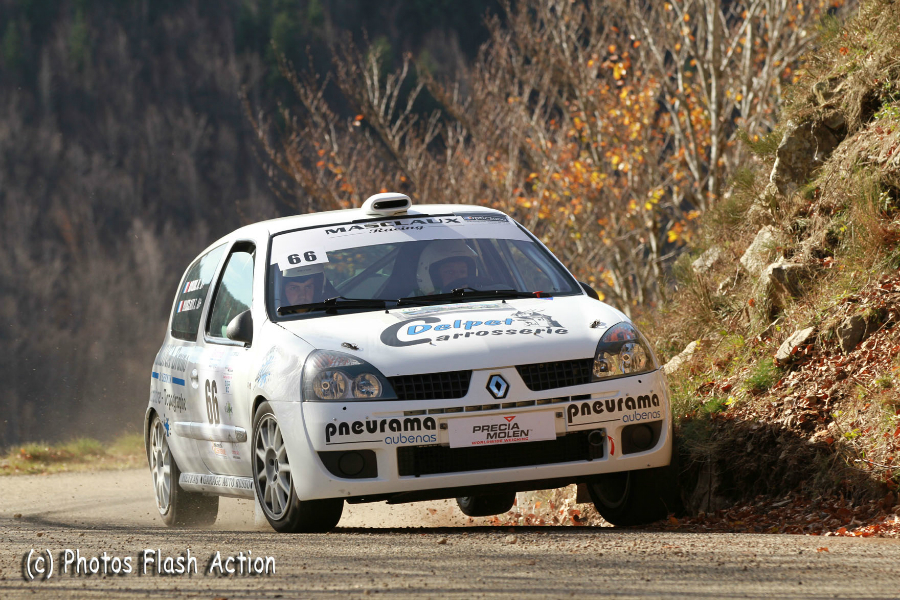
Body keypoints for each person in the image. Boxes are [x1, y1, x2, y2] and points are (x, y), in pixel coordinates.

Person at [414, 239, 479, 294]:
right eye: (450, 272)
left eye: (462, 271)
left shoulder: (478, 298)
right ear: (431, 277)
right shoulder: (412, 305)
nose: (458, 277)